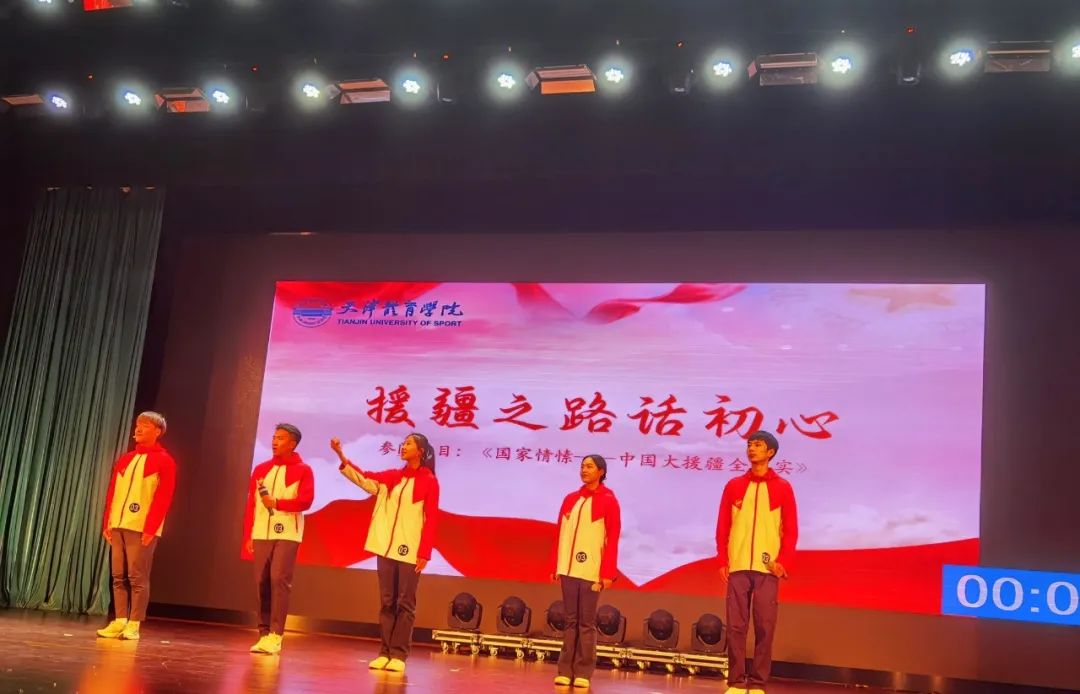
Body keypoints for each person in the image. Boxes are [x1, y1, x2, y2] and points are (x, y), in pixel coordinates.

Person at [331, 432, 441, 674]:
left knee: (405, 603)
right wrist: (341, 455)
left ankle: (399, 654)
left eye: (409, 443)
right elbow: (364, 479)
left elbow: (431, 519)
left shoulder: (429, 481)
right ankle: (384, 652)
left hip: (410, 550)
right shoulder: (392, 477)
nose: (404, 446)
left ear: (420, 451)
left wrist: (424, 552)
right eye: (404, 443)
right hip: (385, 548)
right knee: (387, 602)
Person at [715, 431, 799, 694]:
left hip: (767, 568)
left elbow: (791, 529)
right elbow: (723, 525)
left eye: (758, 445)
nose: (752, 449)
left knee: (764, 626)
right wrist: (722, 559)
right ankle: (736, 681)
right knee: (736, 626)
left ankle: (759, 682)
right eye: (750, 445)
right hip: (738, 565)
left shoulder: (782, 487)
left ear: (770, 452)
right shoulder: (734, 486)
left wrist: (783, 561)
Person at [97, 411, 177, 641]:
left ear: (158, 431)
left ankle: (134, 624)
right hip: (118, 524)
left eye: (145, 425)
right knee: (118, 575)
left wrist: (150, 528)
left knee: (137, 576)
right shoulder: (125, 459)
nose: (138, 428)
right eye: (138, 424)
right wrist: (108, 521)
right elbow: (113, 492)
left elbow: (163, 497)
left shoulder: (165, 461)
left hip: (141, 527)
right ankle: (120, 620)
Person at [242, 423, 315, 655]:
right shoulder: (261, 469)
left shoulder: (303, 470)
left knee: (278, 580)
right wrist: (248, 534)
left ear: (292, 444)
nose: (275, 441)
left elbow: (306, 501)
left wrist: (278, 503)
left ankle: (276, 635)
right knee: (261, 582)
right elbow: (252, 504)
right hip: (261, 532)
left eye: (281, 438)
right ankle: (263, 633)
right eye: (274, 437)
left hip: (287, 533)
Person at [550, 454, 621, 689]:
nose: (584, 470)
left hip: (591, 571)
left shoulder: (608, 501)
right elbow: (560, 532)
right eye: (582, 466)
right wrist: (556, 565)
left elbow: (612, 538)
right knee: (570, 620)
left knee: (586, 622)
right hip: (568, 569)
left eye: (589, 466)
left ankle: (583, 671)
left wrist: (607, 573)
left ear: (601, 471)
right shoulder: (571, 499)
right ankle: (565, 670)